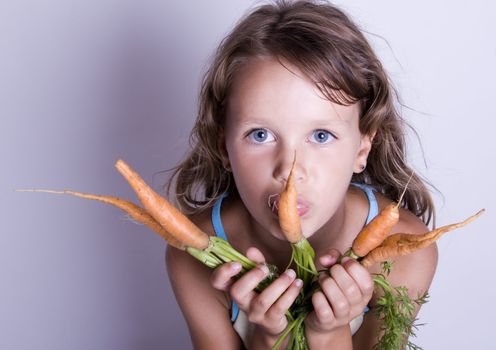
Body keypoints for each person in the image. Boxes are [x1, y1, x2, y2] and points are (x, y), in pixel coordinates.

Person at [165, 0, 438, 348]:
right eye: (260, 135)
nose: (290, 170)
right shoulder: (192, 253)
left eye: (321, 136)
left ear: (361, 149)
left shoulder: (406, 251)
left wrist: (328, 334)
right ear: (225, 148)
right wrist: (270, 338)